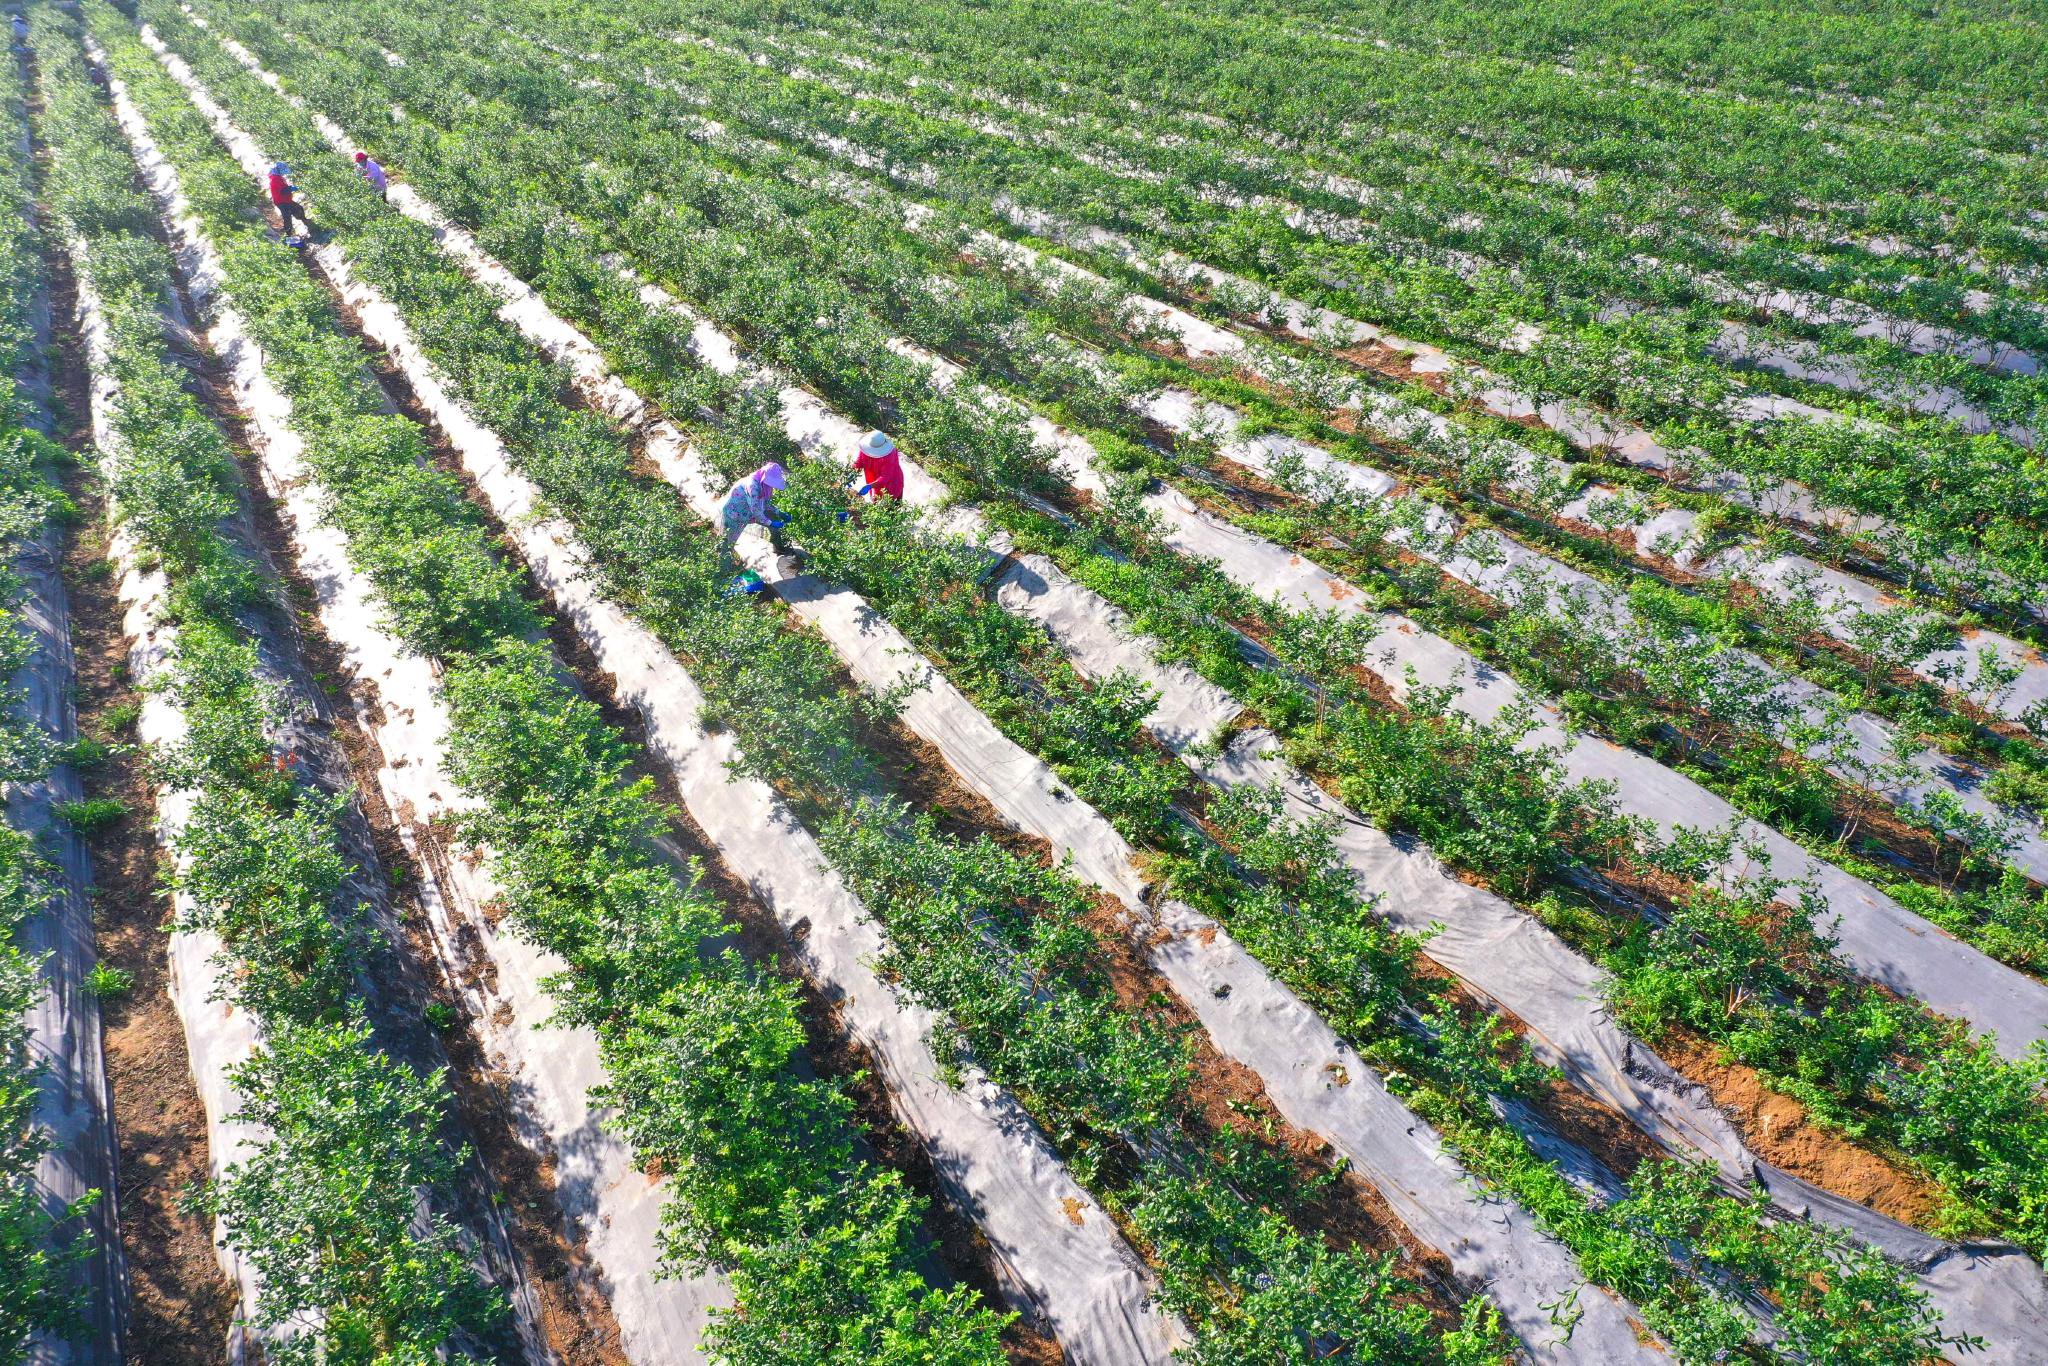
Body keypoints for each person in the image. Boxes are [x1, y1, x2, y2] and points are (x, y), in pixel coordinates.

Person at [720, 461, 788, 550]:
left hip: (745, 514)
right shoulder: (752, 486)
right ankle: (723, 561)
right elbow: (756, 510)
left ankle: (778, 549)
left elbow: (766, 503)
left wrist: (779, 513)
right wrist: (770, 523)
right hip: (734, 514)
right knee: (728, 544)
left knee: (729, 541)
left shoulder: (764, 484)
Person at [848, 429, 905, 502]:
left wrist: (870, 486)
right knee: (876, 500)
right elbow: (859, 462)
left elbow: (885, 477)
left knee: (888, 503)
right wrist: (850, 472)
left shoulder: (890, 454)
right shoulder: (866, 449)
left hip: (891, 482)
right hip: (874, 478)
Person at [267, 162, 309, 239]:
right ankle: (288, 235)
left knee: (298, 208)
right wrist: (291, 188)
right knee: (287, 217)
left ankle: (303, 220)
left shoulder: (278, 177)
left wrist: (290, 188)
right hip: (281, 202)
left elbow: (283, 188)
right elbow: (283, 191)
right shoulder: (275, 179)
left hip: (286, 200)